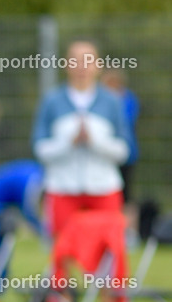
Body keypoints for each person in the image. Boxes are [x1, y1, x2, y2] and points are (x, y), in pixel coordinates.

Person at [31, 39, 130, 238]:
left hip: (104, 188)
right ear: (66, 65)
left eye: (88, 60)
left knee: (107, 254)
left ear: (98, 65)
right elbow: (39, 148)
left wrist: (95, 142)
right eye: (75, 60)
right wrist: (69, 143)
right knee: (62, 254)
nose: (82, 66)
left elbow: (124, 150)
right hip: (62, 188)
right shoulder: (52, 101)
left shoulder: (112, 102)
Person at [101, 68, 139, 205]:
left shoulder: (127, 100)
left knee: (125, 193)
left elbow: (123, 125)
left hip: (126, 156)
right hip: (104, 154)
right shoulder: (101, 102)